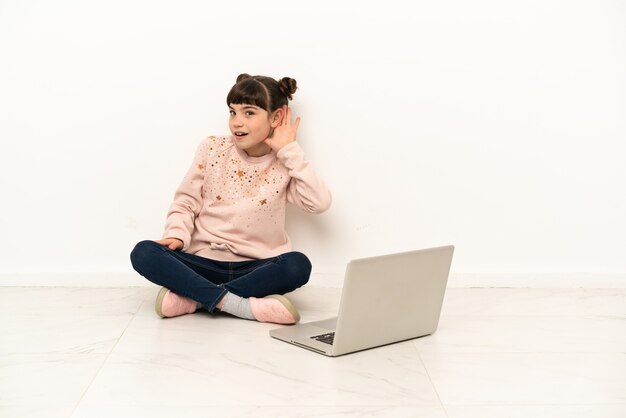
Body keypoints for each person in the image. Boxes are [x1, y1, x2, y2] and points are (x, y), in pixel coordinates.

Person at [130, 73, 331, 325]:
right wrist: (177, 235)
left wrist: (289, 150)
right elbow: (186, 201)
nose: (237, 122)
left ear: (276, 117)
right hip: (203, 261)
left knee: (298, 265)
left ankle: (194, 299)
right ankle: (239, 305)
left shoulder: (285, 162)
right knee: (144, 252)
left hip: (255, 268)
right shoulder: (212, 148)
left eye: (249, 113)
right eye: (232, 112)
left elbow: (318, 202)